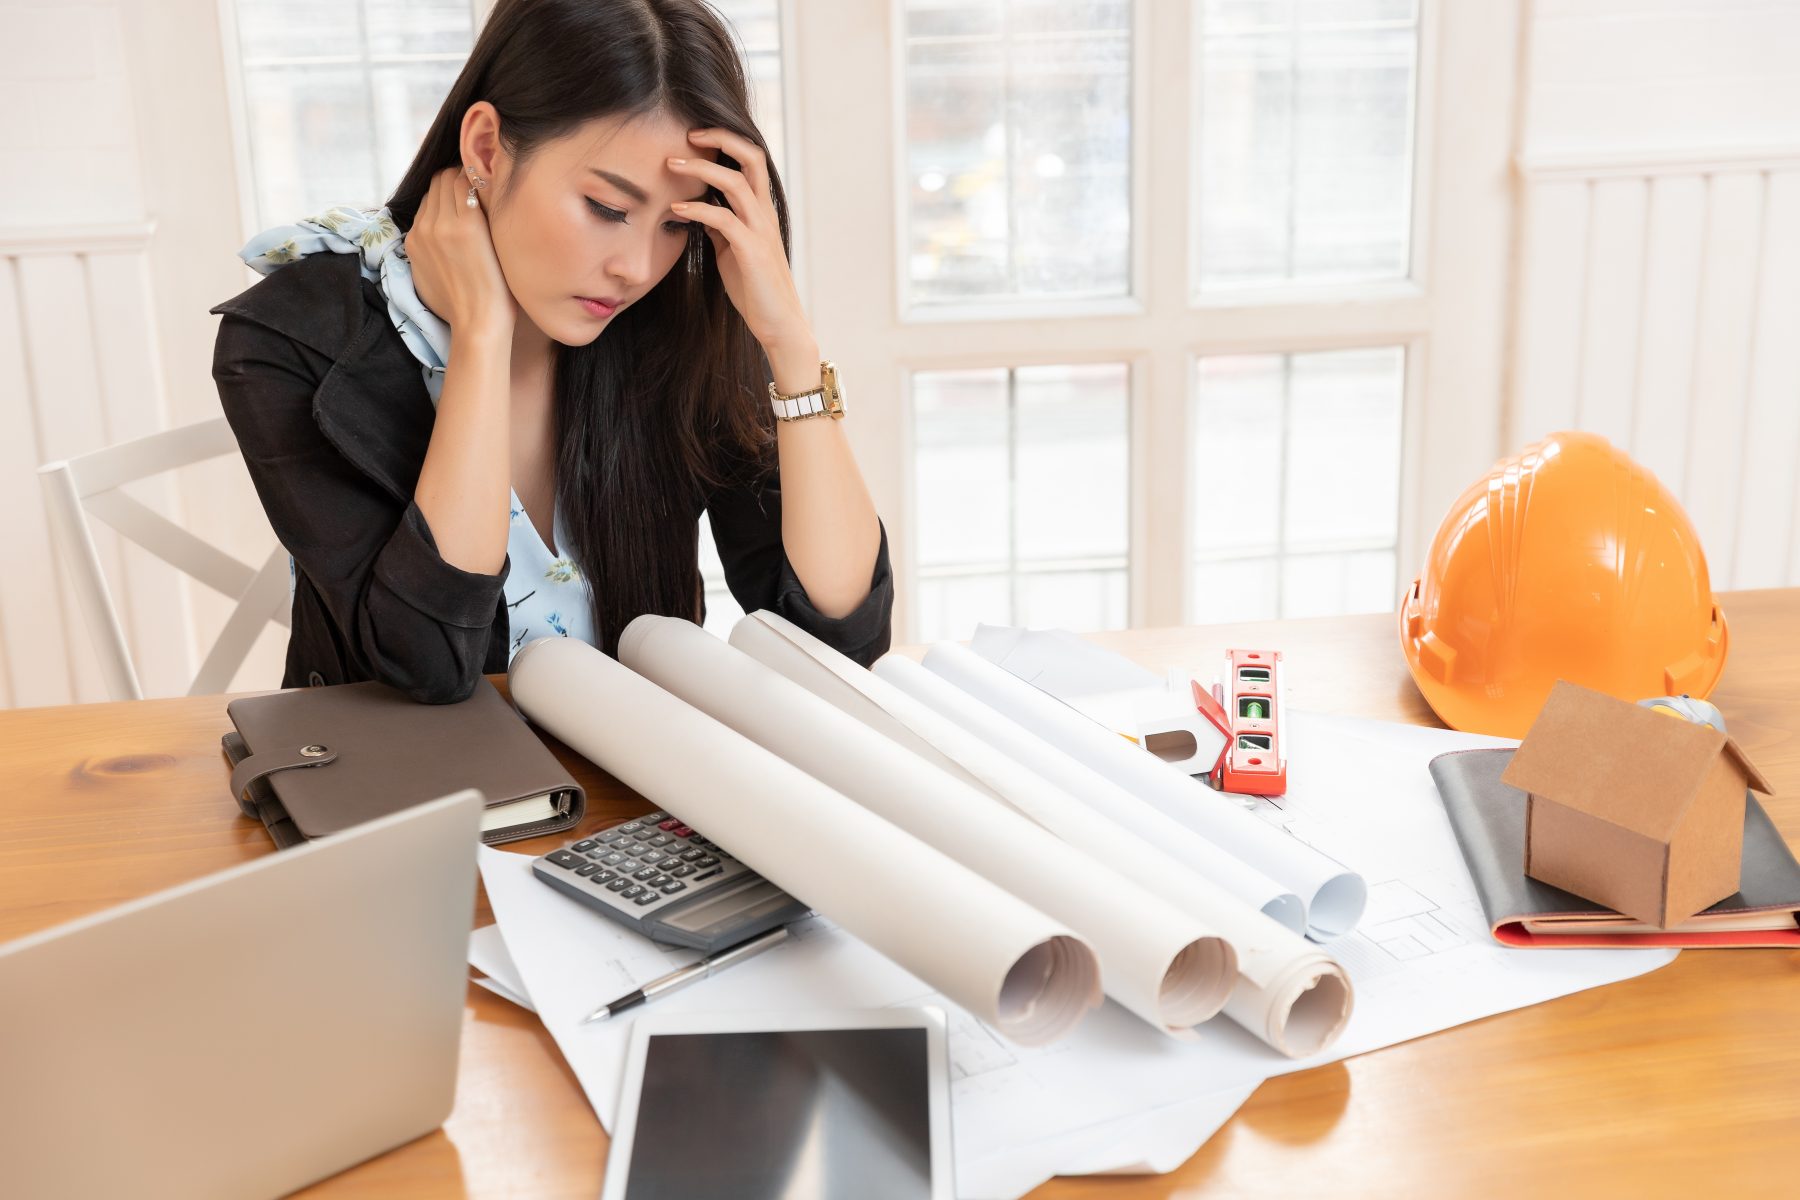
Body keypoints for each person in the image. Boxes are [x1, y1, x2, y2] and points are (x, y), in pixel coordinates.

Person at [209, 0, 892, 704]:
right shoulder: (293, 339)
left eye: (674, 226)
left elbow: (839, 641)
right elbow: (428, 667)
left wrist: (788, 341)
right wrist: (481, 337)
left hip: (632, 787)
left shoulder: (670, 322)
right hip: (410, 801)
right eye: (608, 208)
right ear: (484, 149)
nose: (637, 266)